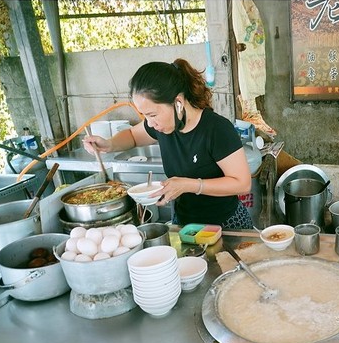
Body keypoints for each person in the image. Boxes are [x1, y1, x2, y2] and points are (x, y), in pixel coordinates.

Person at [83, 58, 254, 229]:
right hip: (183, 224)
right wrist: (109, 144)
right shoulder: (162, 126)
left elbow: (242, 183)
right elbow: (132, 136)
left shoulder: (216, 129)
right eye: (145, 116)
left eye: (152, 115)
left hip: (225, 225)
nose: (149, 123)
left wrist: (189, 185)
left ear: (178, 102)